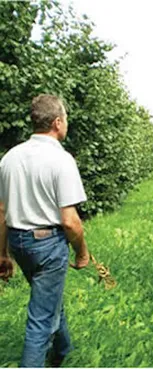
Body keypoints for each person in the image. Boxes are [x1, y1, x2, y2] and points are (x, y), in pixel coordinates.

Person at [0, 94, 90, 367]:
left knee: (47, 298)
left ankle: (63, 353)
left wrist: (2, 254)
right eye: (66, 120)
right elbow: (70, 221)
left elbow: (1, 211)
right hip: (48, 245)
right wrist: (82, 253)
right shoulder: (61, 160)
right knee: (39, 321)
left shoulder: (10, 158)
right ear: (57, 122)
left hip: (18, 241)